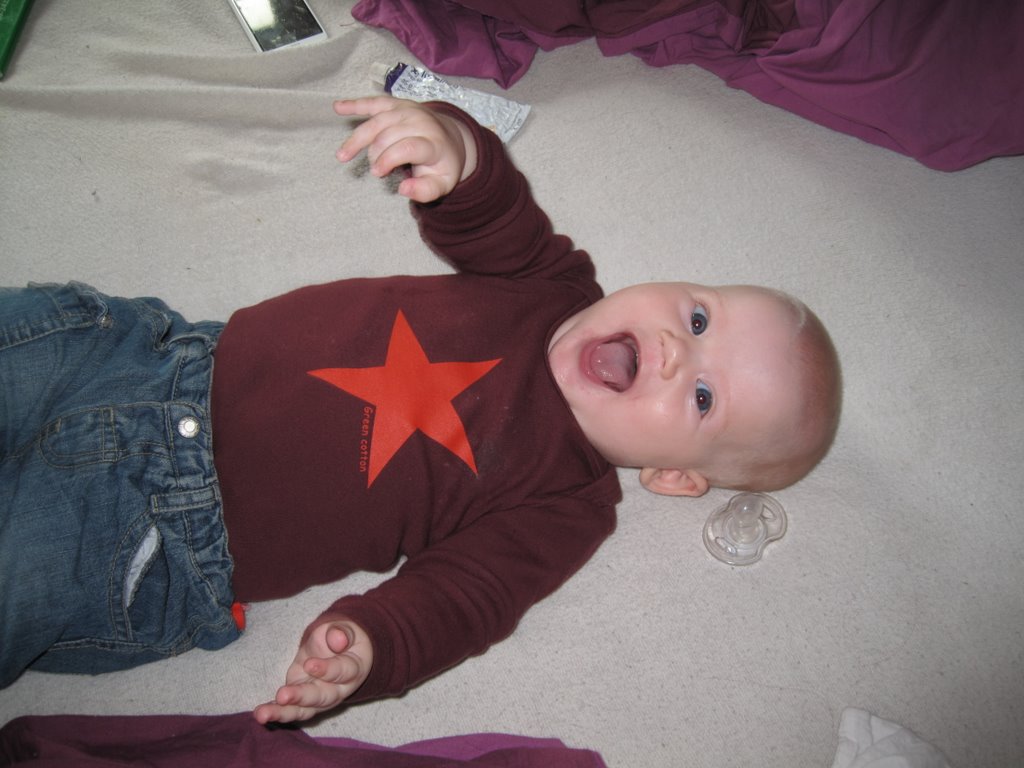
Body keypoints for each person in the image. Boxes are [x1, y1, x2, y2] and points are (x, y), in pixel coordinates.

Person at [0, 96, 841, 723]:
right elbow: (492, 211)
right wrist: (455, 151)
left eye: (702, 396)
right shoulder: (554, 286)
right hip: (143, 355)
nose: (673, 349)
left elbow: (466, 600)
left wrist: (372, 649)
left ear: (673, 476)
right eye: (698, 318)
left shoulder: (565, 508)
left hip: (158, 528)